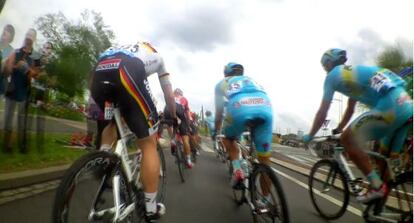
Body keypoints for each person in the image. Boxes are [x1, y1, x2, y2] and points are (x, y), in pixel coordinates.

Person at [303, 48, 413, 203]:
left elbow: (322, 112)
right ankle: (378, 210)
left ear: (329, 63)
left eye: (324, 66)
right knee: (384, 163)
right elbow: (350, 108)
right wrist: (339, 128)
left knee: (348, 140)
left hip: (390, 107)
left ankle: (377, 187)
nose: (325, 70)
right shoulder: (353, 73)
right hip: (407, 106)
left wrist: (309, 135)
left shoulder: (332, 76)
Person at [90, 42, 176, 222]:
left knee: (114, 123)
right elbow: (168, 94)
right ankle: (151, 208)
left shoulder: (118, 48)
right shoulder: (157, 57)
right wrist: (173, 116)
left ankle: (103, 156)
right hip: (127, 72)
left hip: (99, 75)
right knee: (148, 143)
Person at [214, 62, 273, 188]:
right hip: (265, 107)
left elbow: (219, 113)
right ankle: (265, 201)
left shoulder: (222, 83)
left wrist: (216, 131)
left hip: (239, 108)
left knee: (228, 139)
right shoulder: (252, 80)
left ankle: (238, 170)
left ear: (226, 74)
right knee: (265, 163)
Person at [3, 28, 40, 153]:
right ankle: (7, 146)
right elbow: (8, 70)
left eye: (31, 35)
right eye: (27, 34)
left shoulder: (36, 57)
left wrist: (28, 70)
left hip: (24, 92)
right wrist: (11, 66)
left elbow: (37, 75)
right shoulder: (16, 51)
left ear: (34, 39)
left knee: (21, 122)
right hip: (12, 89)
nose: (28, 37)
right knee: (7, 121)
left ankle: (22, 146)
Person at [164, 88, 195, 168]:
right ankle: (188, 161)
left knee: (169, 124)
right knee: (185, 139)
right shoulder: (184, 99)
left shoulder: (170, 98)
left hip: (167, 110)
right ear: (181, 94)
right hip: (179, 111)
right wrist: (188, 124)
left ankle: (172, 140)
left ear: (174, 93)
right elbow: (187, 113)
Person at [0, 24, 15, 99]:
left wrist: (5, 65)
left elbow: (8, 73)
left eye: (8, 31)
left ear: (11, 37)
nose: (5, 31)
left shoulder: (11, 51)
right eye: (4, 29)